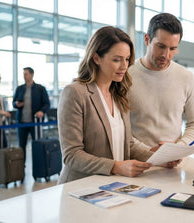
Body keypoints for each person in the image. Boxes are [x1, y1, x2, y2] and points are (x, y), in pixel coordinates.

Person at [57, 26, 179, 184]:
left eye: (127, 59)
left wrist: (158, 158)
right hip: (79, 188)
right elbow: (72, 154)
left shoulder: (119, 93)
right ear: (96, 58)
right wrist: (116, 166)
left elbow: (127, 143)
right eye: (117, 59)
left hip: (111, 188)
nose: (124, 66)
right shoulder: (75, 93)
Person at [129, 13, 194, 149]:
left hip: (174, 162)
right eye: (161, 46)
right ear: (147, 40)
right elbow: (118, 128)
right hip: (136, 162)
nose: (166, 55)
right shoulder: (126, 75)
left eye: (173, 49)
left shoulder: (186, 77)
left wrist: (177, 149)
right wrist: (148, 152)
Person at [12, 67, 50, 160]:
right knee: (21, 145)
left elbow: (47, 103)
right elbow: (13, 103)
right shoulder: (20, 88)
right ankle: (21, 167)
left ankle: (38, 166)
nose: (24, 76)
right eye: (23, 74)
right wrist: (16, 104)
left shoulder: (40, 88)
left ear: (32, 74)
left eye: (26, 74)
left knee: (37, 144)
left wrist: (42, 111)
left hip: (35, 123)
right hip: (21, 122)